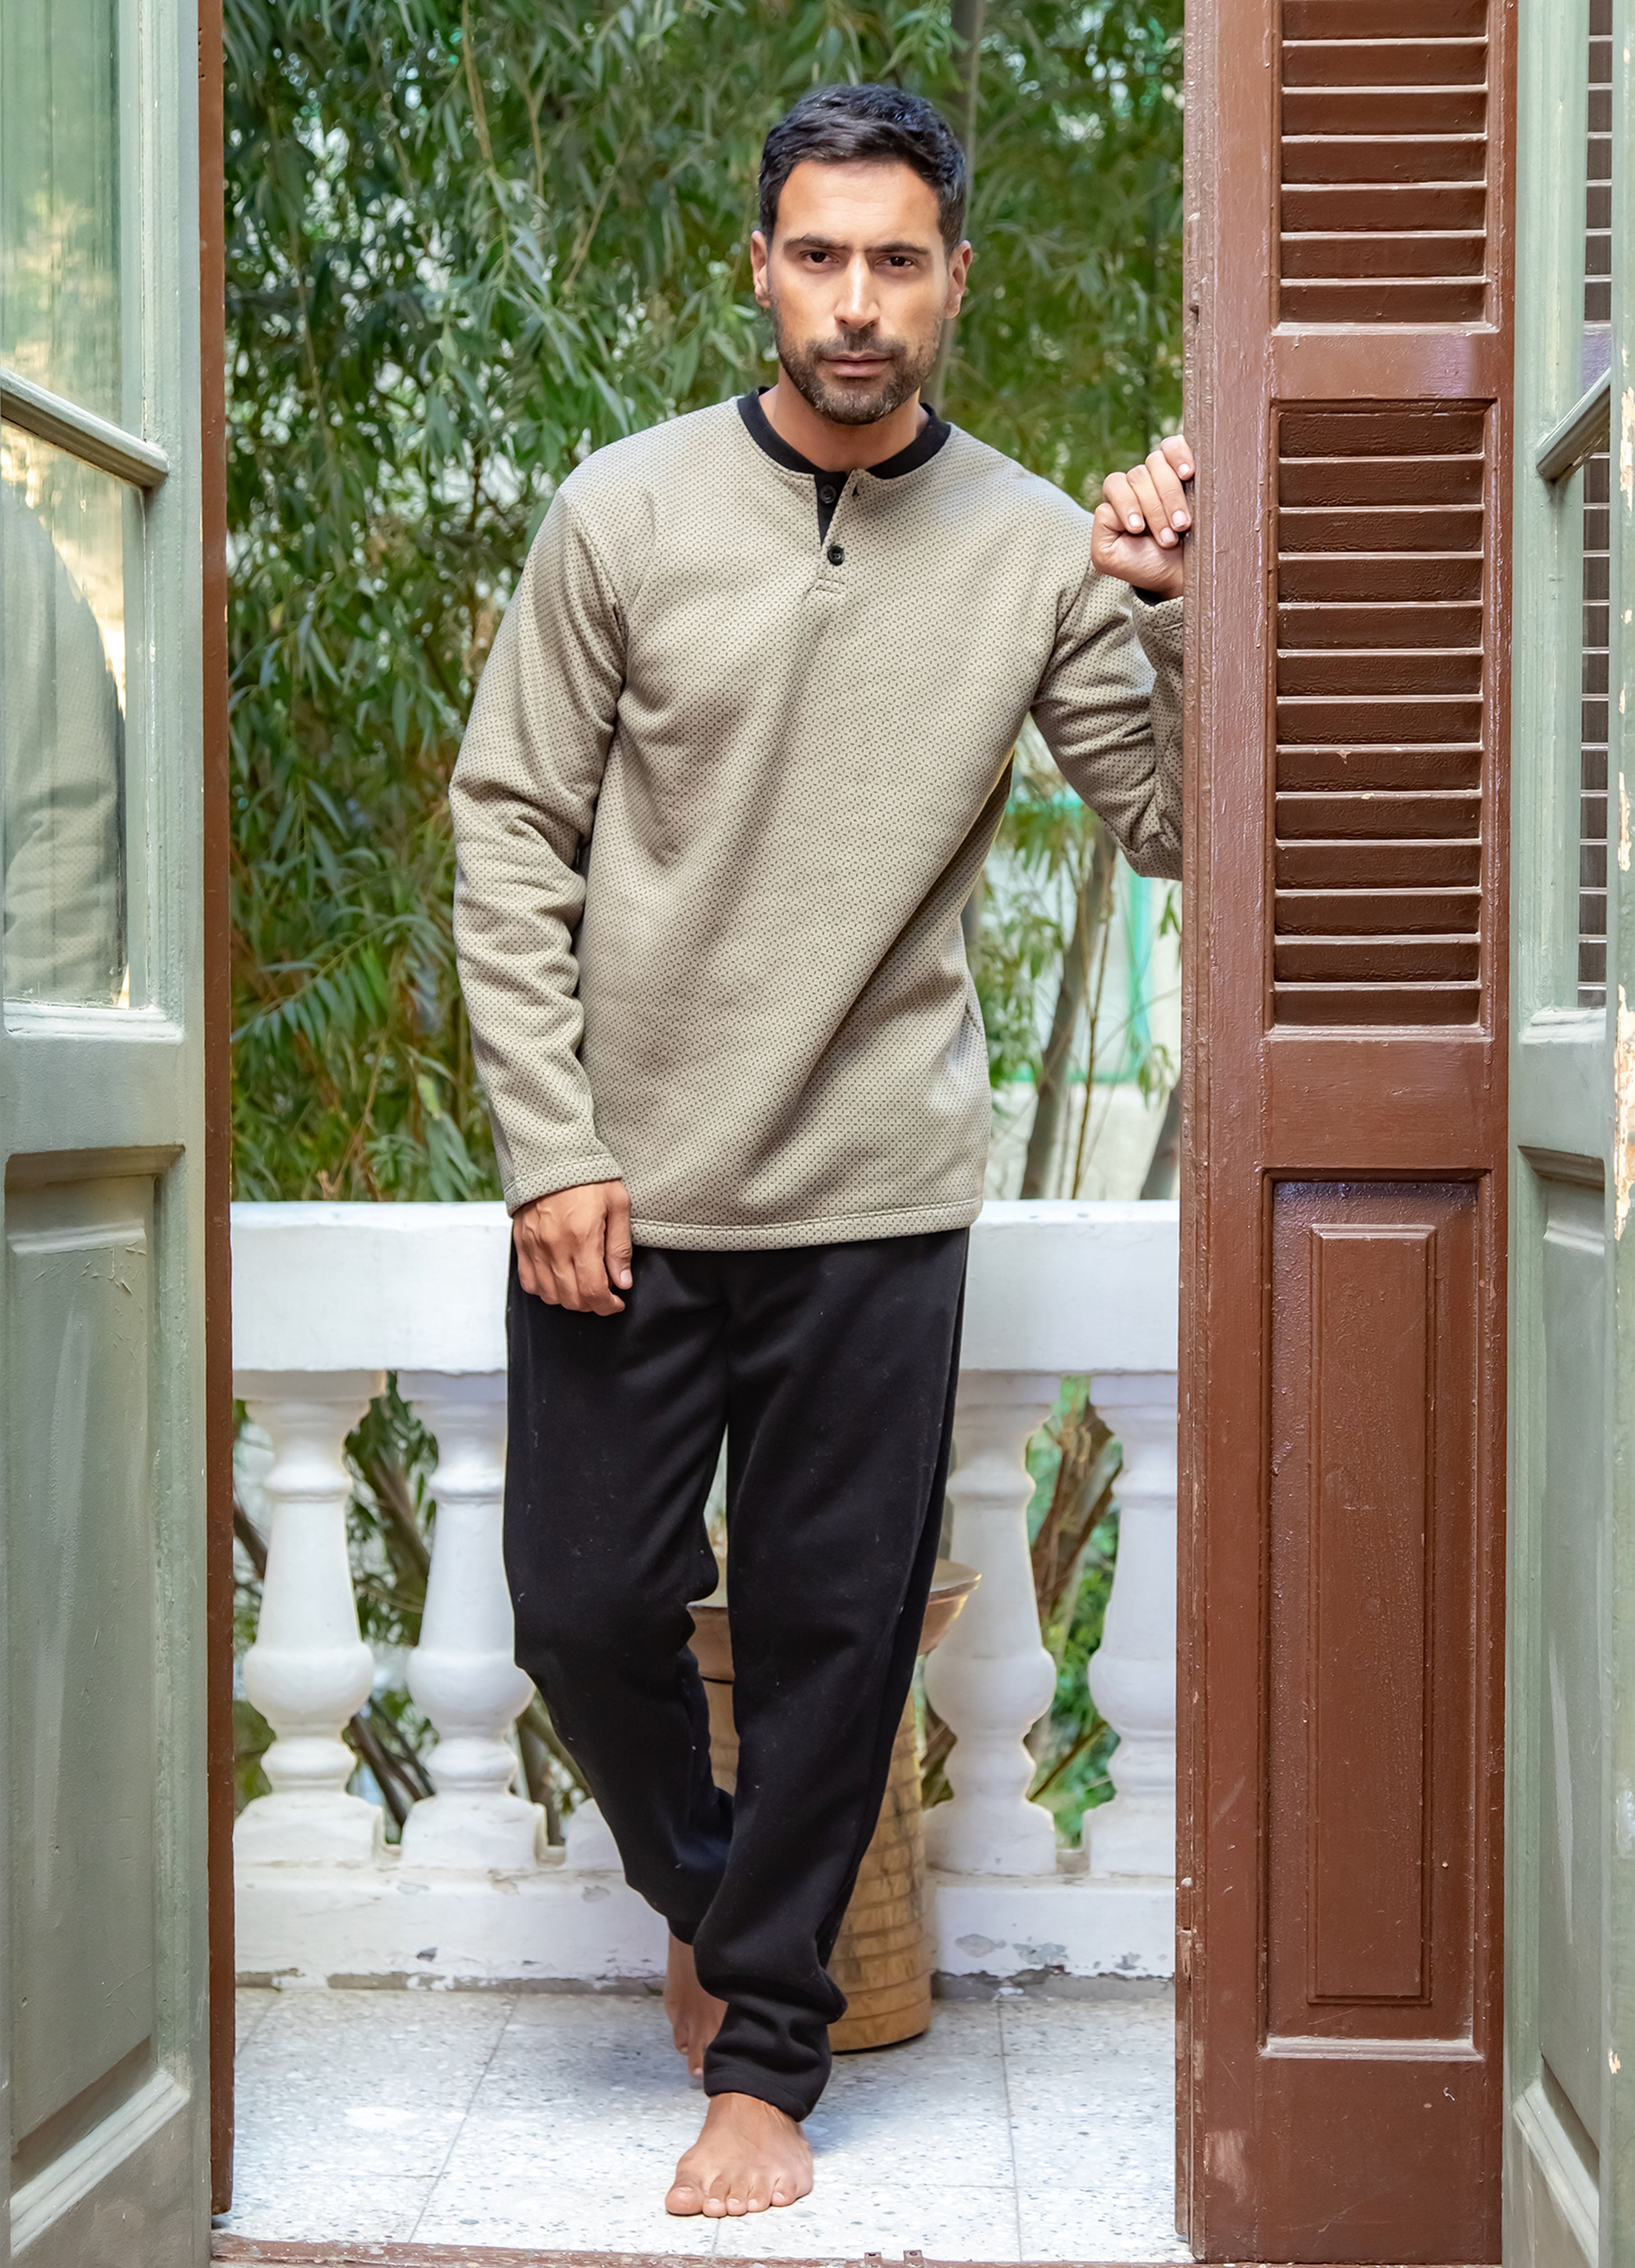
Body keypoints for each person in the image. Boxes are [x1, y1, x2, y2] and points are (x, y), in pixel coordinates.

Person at [449, 79, 1191, 2224]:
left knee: (833, 1635)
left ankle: (767, 2055)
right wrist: (550, 1150)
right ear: (759, 267)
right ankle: (722, 1902)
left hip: (875, 1191)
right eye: (819, 256)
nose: (856, 303)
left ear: (955, 280)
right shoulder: (623, 512)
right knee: (580, 1605)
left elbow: (1173, 833)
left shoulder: (1038, 548)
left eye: (898, 261)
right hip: (624, 1188)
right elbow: (508, 834)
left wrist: (1167, 605)